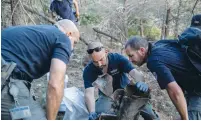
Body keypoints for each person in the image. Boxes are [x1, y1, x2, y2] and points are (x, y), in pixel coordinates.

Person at [1, 19, 80, 120]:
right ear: (69, 34)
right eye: (75, 42)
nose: (73, 47)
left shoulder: (34, 32)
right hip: (5, 76)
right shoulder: (63, 38)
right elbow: (55, 85)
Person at [125, 35, 201, 120]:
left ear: (142, 50)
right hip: (193, 87)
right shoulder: (160, 44)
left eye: (131, 56)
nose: (130, 60)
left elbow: (175, 92)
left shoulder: (154, 60)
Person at [83, 42, 159, 120]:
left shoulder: (117, 59)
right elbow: (89, 93)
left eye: (101, 60)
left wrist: (142, 82)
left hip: (126, 90)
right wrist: (92, 112)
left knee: (149, 113)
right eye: (95, 62)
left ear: (106, 52)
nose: (99, 64)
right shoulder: (88, 70)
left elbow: (135, 73)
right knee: (99, 113)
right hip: (107, 95)